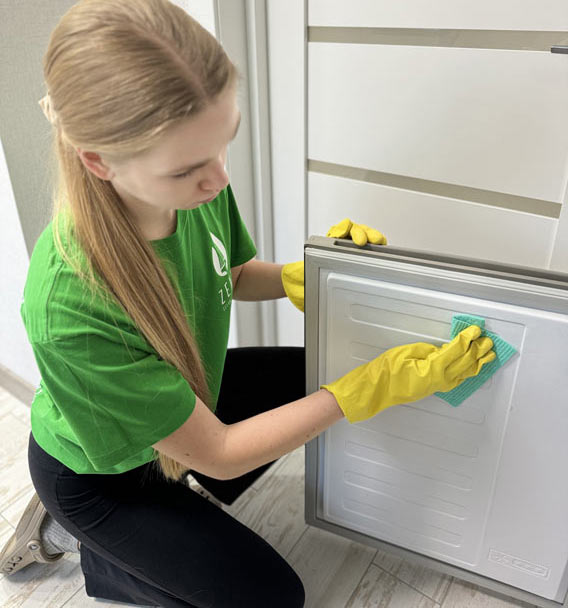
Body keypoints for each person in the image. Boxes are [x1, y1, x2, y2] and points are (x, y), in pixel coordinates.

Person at [0, 1, 496, 606]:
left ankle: (148, 538)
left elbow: (228, 271)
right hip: (101, 478)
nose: (218, 181)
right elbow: (223, 454)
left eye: (223, 144)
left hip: (184, 398)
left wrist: (301, 278)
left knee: (317, 376)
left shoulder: (193, 188)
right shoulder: (67, 306)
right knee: (271, 597)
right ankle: (96, 553)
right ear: (100, 162)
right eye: (188, 169)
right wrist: (368, 389)